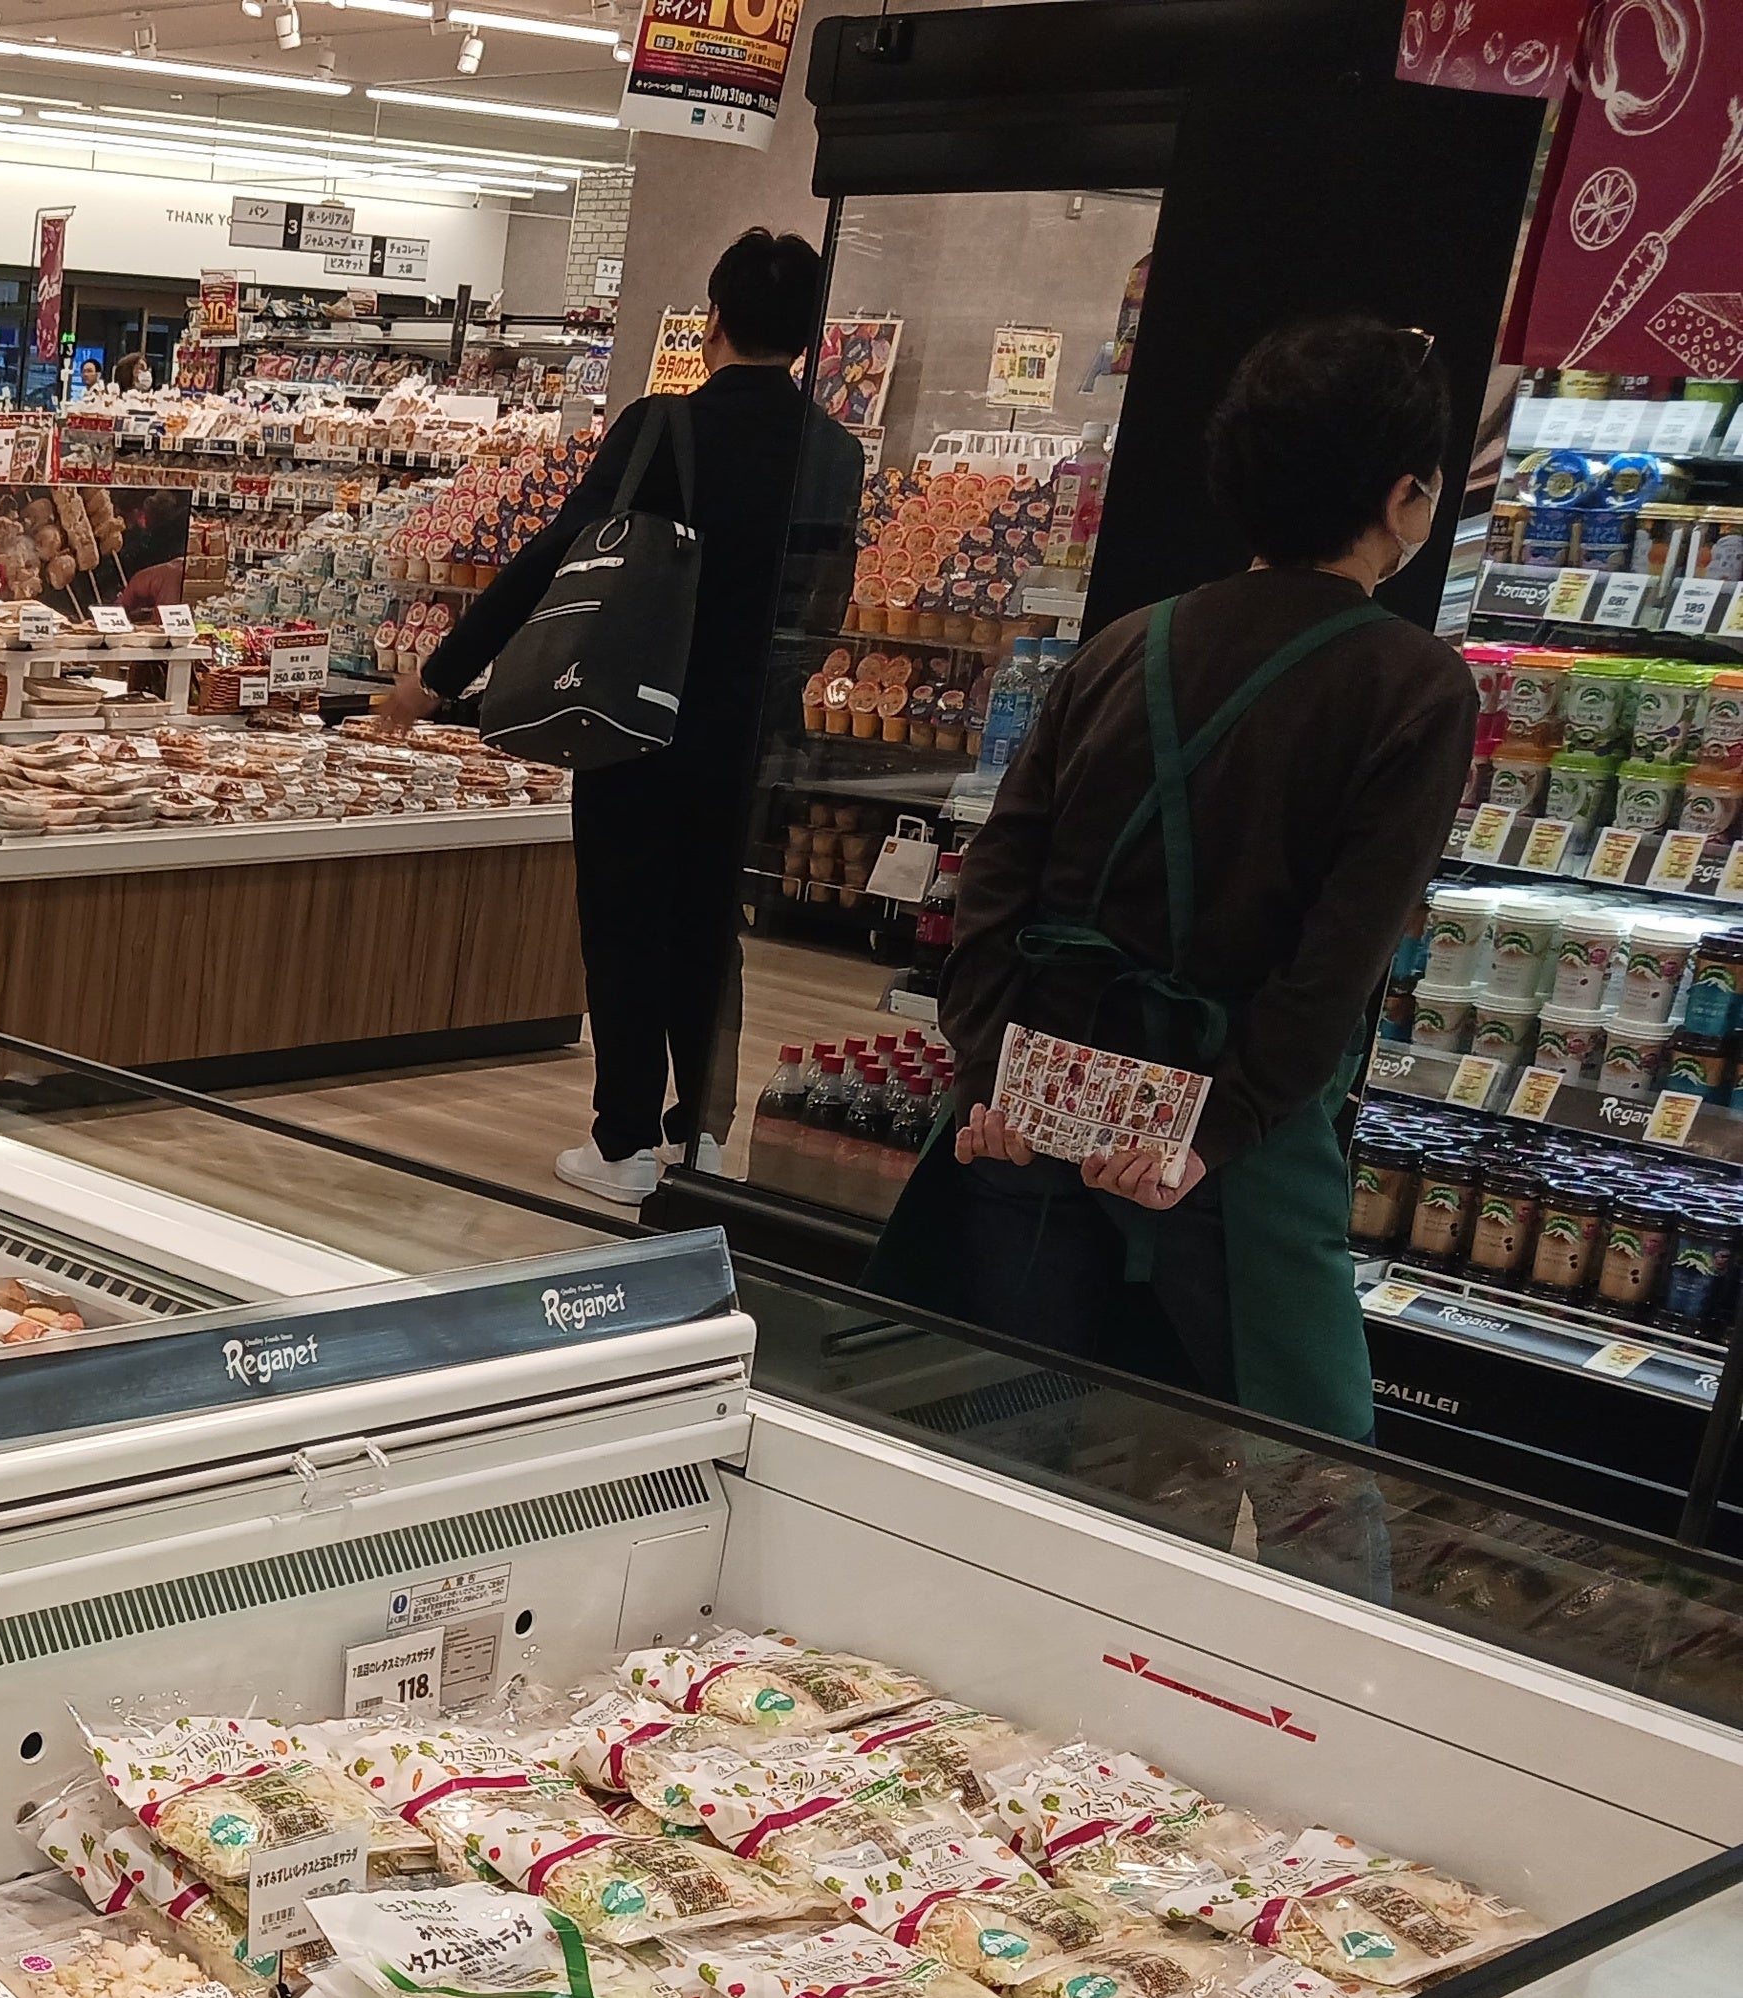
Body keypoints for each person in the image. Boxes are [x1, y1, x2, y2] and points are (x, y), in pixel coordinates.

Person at [865, 318, 1474, 1444]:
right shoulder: (1414, 687)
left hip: (1047, 1103)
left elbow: (995, 880)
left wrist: (990, 1070)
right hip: (1225, 1155)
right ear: (1404, 498)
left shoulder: (1124, 644)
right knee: (1298, 1487)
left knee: (1009, 1443)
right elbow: (1336, 962)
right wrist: (1217, 1127)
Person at [383, 228, 864, 1204]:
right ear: (811, 338)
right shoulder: (836, 451)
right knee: (710, 927)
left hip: (636, 716)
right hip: (753, 735)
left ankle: (625, 1141)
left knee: (626, 918)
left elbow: (557, 554)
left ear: (712, 321)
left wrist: (438, 675)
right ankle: (705, 1138)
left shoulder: (663, 426)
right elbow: (824, 603)